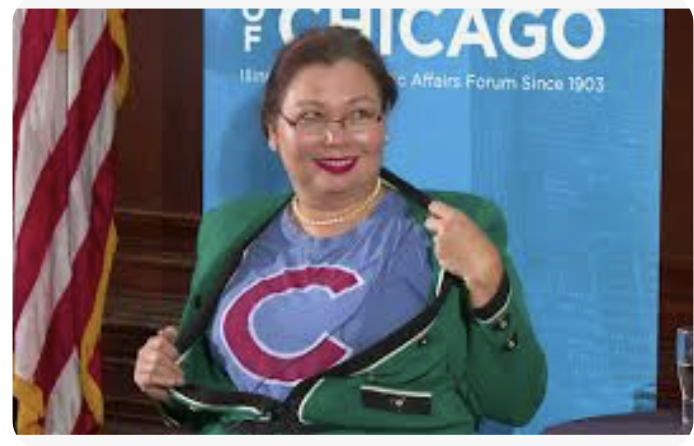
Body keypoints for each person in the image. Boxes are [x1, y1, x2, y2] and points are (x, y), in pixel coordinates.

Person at [134, 25, 547, 434]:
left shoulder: (453, 225)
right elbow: (209, 397)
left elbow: (515, 403)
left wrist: (490, 284)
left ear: (384, 126)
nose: (336, 137)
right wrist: (166, 382)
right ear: (273, 130)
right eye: (311, 116)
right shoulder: (228, 228)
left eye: (360, 114)